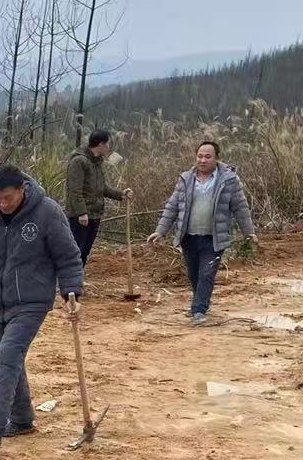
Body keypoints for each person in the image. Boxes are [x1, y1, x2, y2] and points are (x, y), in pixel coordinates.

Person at [0, 164, 84, 450]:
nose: (2, 204)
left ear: (22, 191)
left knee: (8, 356)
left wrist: (71, 292)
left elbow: (68, 256)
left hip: (31, 300)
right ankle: (23, 418)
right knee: (3, 360)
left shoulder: (47, 212)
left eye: (8, 199)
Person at [147, 138, 257, 323]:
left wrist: (249, 232)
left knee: (207, 273)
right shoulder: (186, 179)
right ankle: (201, 301)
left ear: (216, 158)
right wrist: (160, 231)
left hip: (213, 238)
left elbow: (240, 207)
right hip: (189, 237)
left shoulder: (228, 180)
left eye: (208, 156)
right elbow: (172, 207)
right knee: (194, 274)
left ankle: (199, 310)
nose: (203, 160)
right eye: (200, 156)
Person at [64, 128, 131, 268]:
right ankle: (69, 282)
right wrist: (81, 213)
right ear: (100, 144)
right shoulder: (79, 161)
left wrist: (120, 194)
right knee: (75, 251)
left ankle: (77, 279)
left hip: (94, 214)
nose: (108, 148)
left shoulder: (96, 162)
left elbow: (101, 188)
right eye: (107, 144)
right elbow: (74, 190)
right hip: (81, 217)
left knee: (85, 251)